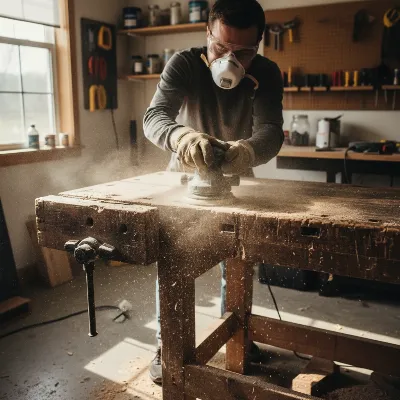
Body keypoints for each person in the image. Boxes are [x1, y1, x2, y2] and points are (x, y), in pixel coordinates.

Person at [143, 0, 284, 384]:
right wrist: (180, 136)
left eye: (243, 53)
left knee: (237, 262)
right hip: (185, 178)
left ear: (259, 44)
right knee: (173, 261)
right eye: (221, 48)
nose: (230, 59)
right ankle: (166, 342)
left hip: (238, 174)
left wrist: (249, 150)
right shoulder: (184, 64)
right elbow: (154, 117)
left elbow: (271, 130)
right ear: (208, 34)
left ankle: (239, 334)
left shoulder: (267, 73)